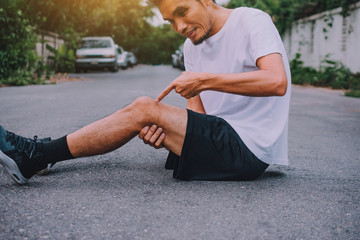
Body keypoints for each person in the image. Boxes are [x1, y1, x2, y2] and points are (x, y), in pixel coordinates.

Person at [0, 0, 291, 185]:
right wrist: (172, 134)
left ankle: (37, 155)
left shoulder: (252, 20)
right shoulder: (192, 47)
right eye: (170, 21)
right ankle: (39, 154)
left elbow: (276, 82)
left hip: (250, 148)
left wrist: (204, 80)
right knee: (148, 114)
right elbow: (199, 116)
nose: (180, 26)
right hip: (222, 137)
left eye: (183, 12)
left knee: (144, 107)